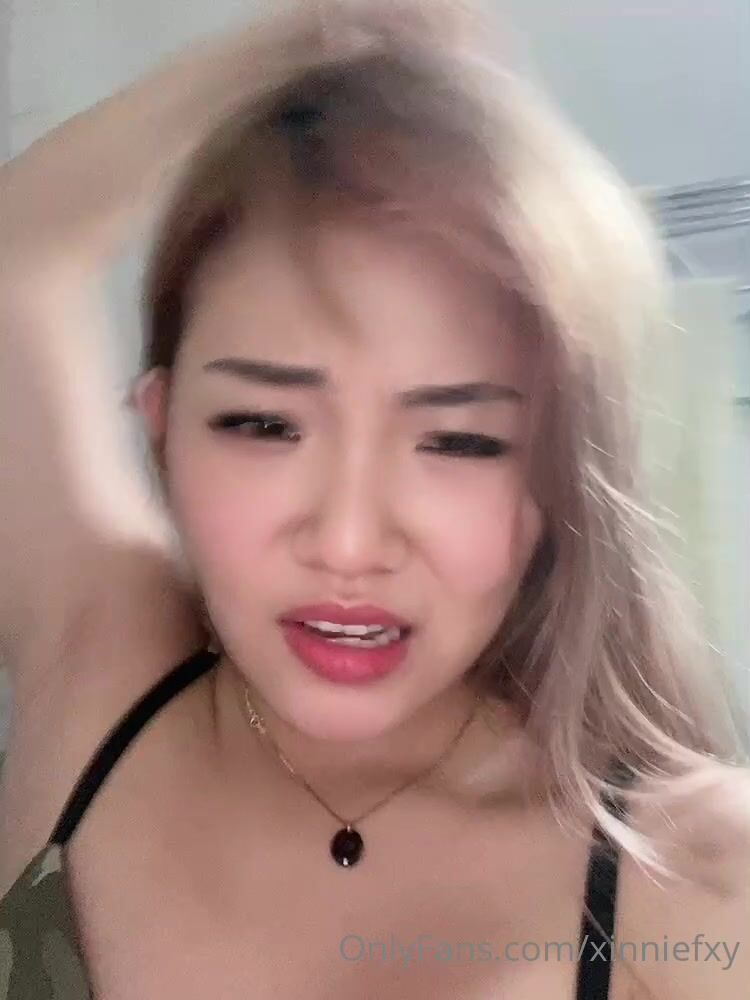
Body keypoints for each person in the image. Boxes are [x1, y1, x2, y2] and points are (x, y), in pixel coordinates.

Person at [0, 1, 748, 997]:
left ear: (555, 483)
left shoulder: (700, 881)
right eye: (264, 424)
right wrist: (318, 33)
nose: (350, 543)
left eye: (460, 440)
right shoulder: (99, 667)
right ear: (162, 428)